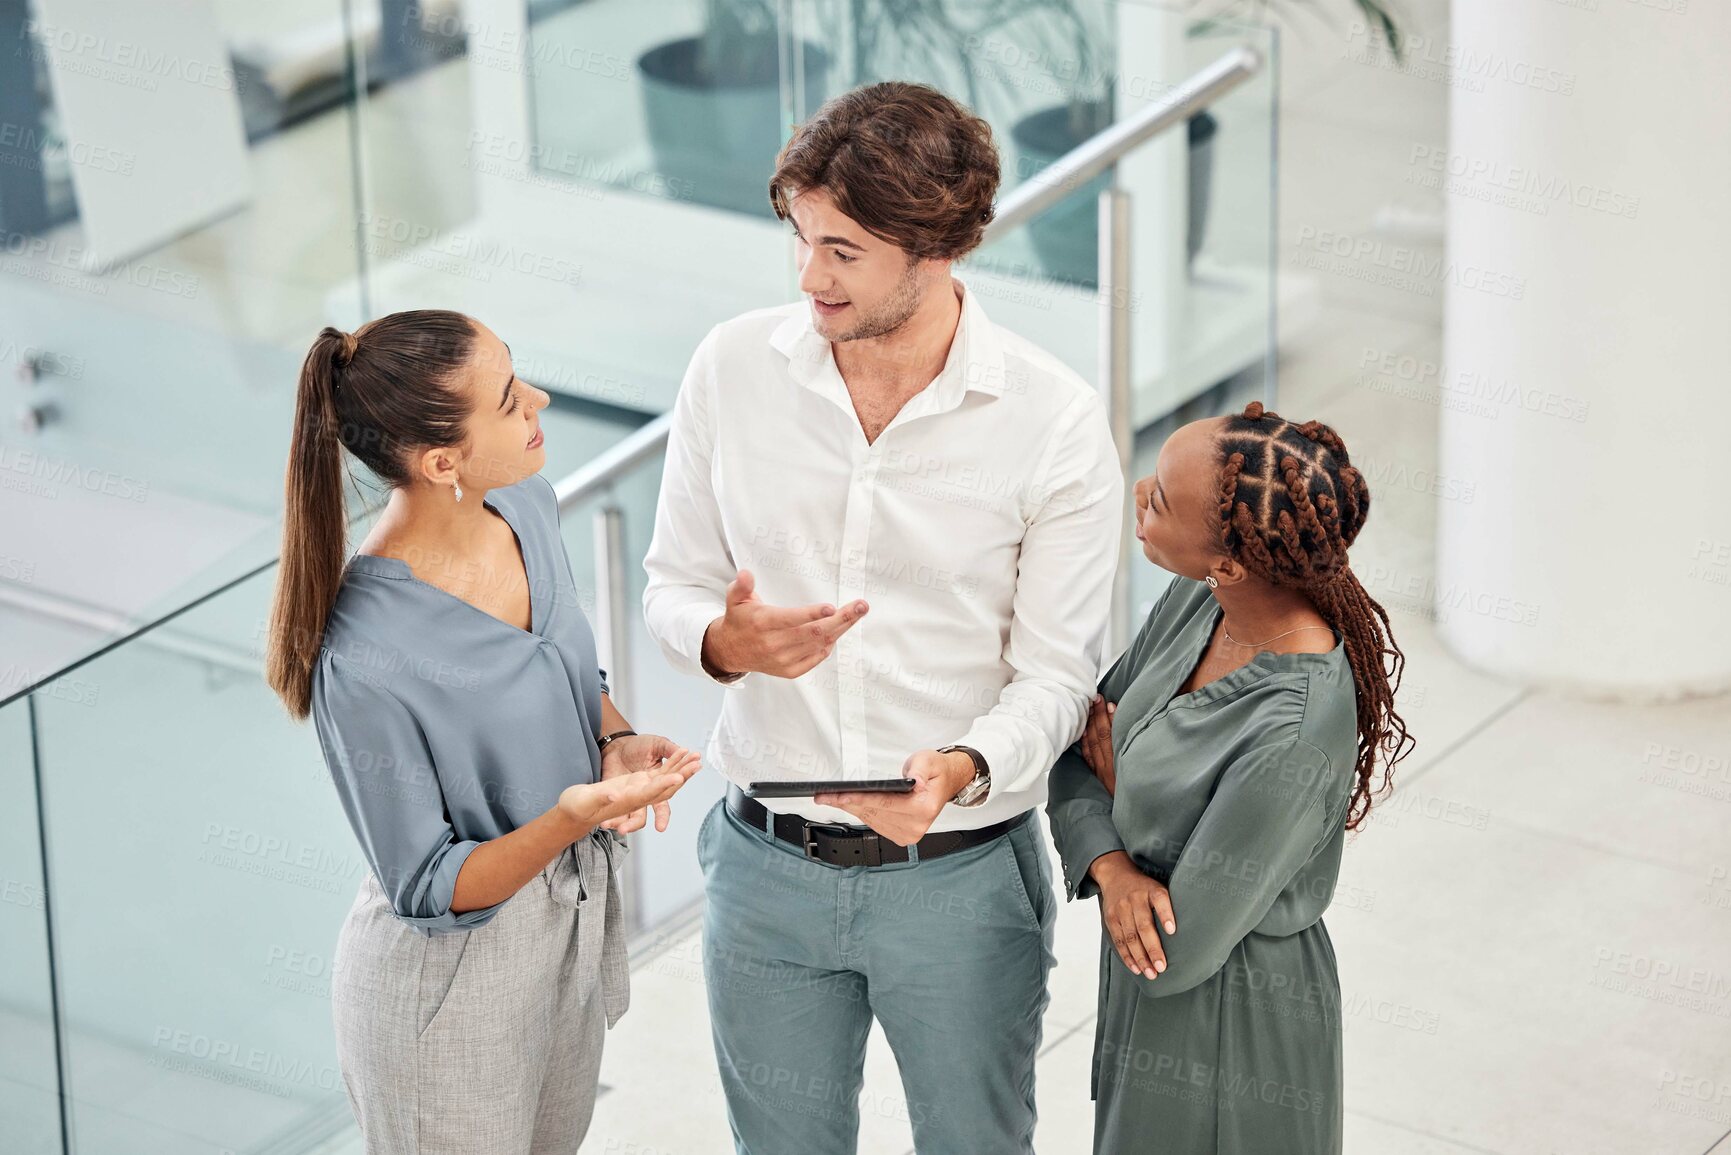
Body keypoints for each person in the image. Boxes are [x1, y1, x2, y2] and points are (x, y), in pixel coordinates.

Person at [641, 82, 1124, 1154]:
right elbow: (671, 584)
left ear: (936, 248)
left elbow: (1055, 678)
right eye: (802, 240)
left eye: (845, 251)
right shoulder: (731, 369)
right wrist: (722, 643)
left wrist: (959, 766)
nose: (811, 276)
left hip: (956, 880)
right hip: (762, 871)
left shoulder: (1051, 424)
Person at [264, 309, 700, 1154]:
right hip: (445, 989)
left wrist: (614, 736)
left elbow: (563, 672)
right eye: (508, 400)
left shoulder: (527, 505)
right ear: (440, 462)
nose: (537, 398)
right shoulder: (365, 653)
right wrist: (573, 814)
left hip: (564, 944)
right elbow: (426, 884)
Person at [1047, 401, 1415, 1154]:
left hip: (1235, 1031)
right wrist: (1118, 869)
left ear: (1228, 559)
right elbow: (1074, 748)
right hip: (1153, 1012)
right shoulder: (1200, 596)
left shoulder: (1292, 732)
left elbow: (1172, 955)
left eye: (1160, 500)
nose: (1138, 490)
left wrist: (1117, 793)